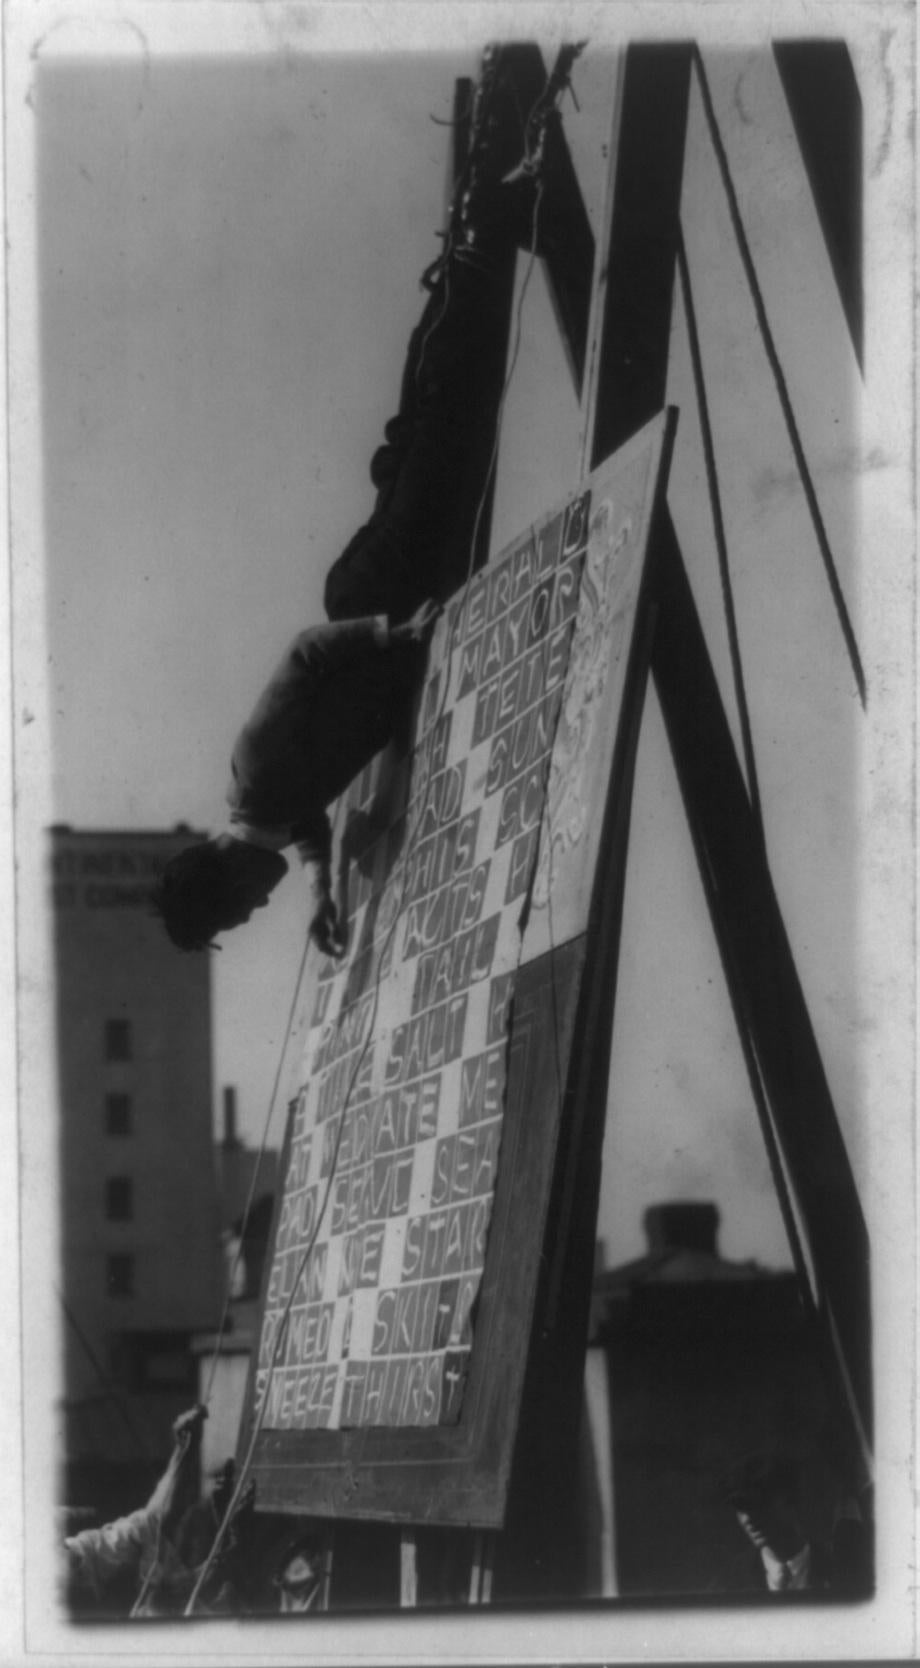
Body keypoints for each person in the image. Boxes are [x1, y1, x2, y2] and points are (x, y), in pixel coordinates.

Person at [152, 44, 563, 957]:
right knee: (432, 427)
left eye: (249, 909)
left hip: (372, 595)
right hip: (385, 590)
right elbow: (311, 832)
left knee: (449, 427)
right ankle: (476, 228)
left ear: (227, 875)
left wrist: (392, 634)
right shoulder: (277, 812)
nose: (262, 906)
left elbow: (303, 657)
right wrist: (322, 895)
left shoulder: (256, 774)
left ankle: (481, 226)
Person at [62, 1405, 255, 1617]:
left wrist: (184, 1449)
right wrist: (233, 1545)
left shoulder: (81, 1554)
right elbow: (176, 1595)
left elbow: (151, 1522)